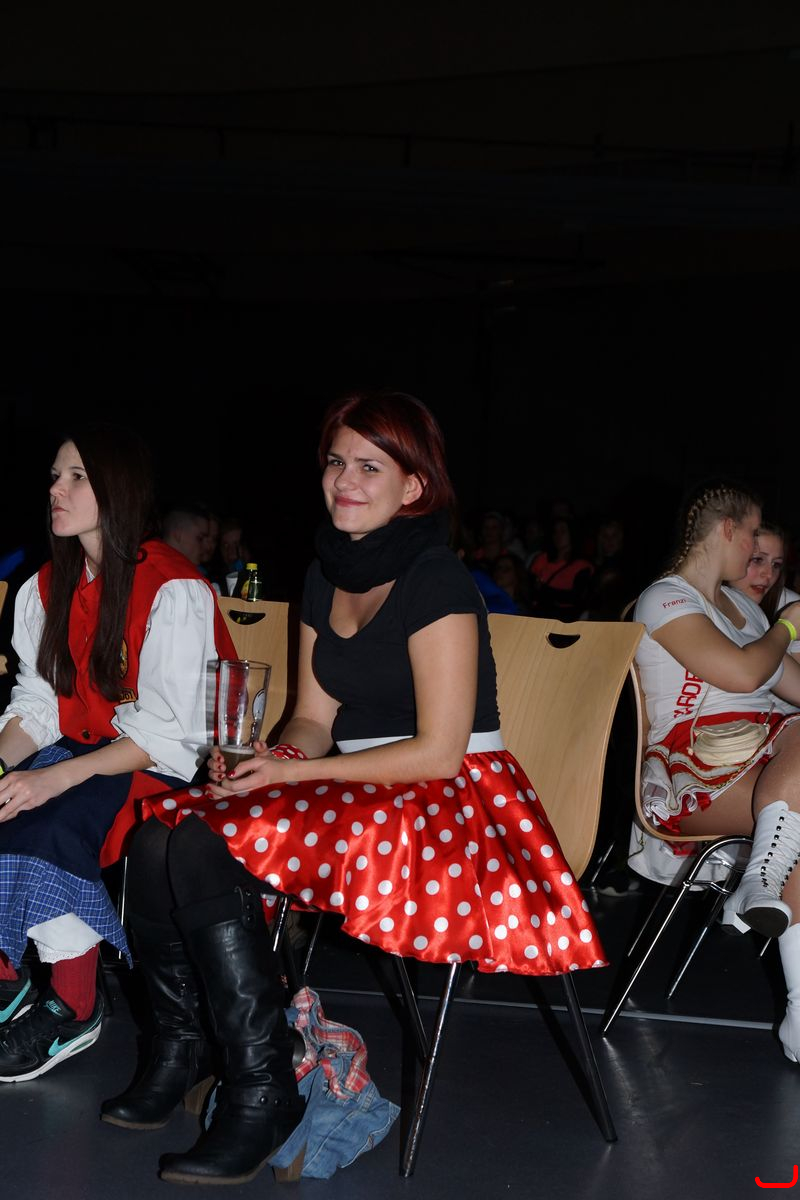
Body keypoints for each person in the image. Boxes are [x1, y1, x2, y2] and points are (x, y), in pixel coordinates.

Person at [110, 390, 605, 1185]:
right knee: (157, 835)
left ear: (414, 485)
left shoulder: (436, 579)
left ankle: (263, 1090)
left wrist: (295, 773)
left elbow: (439, 753)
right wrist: (268, 760)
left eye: (371, 467)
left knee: (199, 843)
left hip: (452, 801)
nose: (346, 480)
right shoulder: (325, 572)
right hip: (357, 785)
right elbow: (314, 717)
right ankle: (185, 1052)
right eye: (337, 462)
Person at [0, 424, 234, 1083]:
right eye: (55, 476)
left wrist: (53, 781)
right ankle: (8, 981)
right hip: (83, 752)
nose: (56, 489)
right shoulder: (46, 586)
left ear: (119, 489)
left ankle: (75, 1006)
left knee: (48, 824)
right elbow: (40, 706)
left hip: (159, 766)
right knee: (15, 800)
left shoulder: (171, 586)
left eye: (77, 477)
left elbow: (171, 735)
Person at [629, 481, 800, 1063]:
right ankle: (762, 881)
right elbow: (745, 675)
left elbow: (791, 685)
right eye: (752, 535)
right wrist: (789, 627)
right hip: (693, 773)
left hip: (763, 755)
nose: (755, 552)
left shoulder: (743, 608)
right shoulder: (664, 599)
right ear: (729, 530)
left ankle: (762, 886)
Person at [529, 517, 593, 621]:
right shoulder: (542, 559)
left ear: (572, 534)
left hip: (563, 620)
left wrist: (545, 590)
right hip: (538, 616)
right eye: (555, 531)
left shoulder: (582, 565)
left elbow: (575, 597)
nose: (558, 535)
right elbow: (528, 587)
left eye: (563, 531)